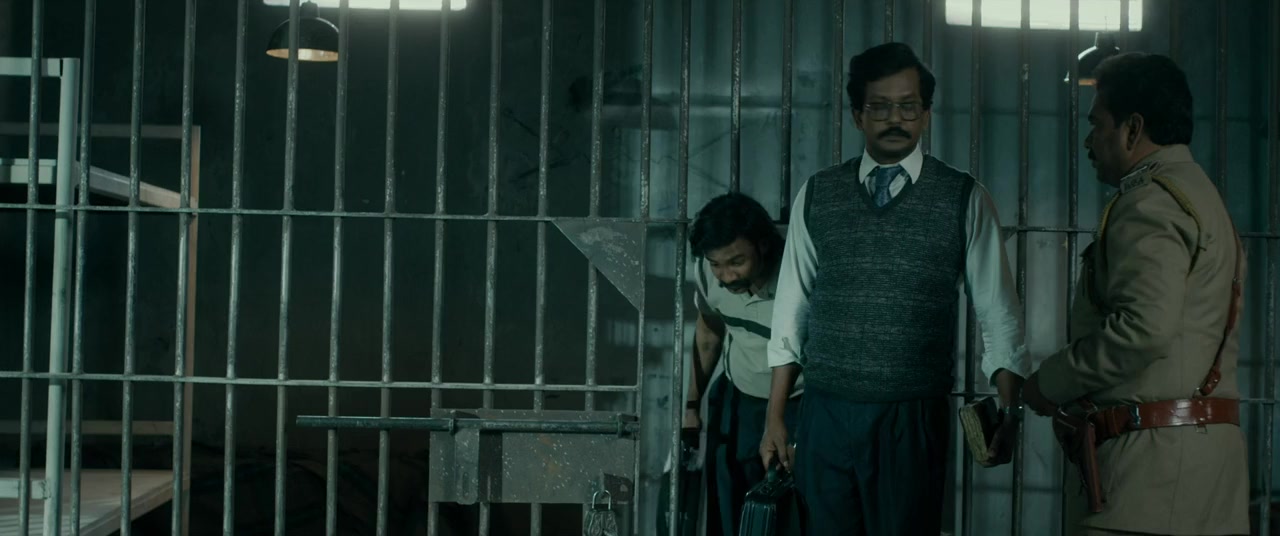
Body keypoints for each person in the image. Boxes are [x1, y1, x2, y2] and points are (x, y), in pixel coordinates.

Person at [760, 42, 1031, 535]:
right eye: (880, 107)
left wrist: (1010, 413)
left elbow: (998, 313)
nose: (895, 119)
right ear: (856, 115)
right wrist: (775, 416)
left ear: (926, 114)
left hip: (913, 416)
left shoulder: (963, 197)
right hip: (825, 411)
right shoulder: (818, 193)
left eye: (907, 106)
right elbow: (791, 308)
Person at [1021, 52, 1249, 535]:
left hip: (1147, 485)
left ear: (1132, 129)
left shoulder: (1149, 203)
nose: (1089, 140)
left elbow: (1142, 331)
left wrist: (1048, 383)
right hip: (1207, 480)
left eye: (1096, 124)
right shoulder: (1203, 198)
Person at [683, 192, 804, 536]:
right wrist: (692, 406)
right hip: (739, 400)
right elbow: (709, 333)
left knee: (795, 510)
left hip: (801, 404)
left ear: (763, 245)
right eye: (716, 263)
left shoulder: (798, 275)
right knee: (729, 506)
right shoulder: (707, 274)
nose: (725, 276)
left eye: (736, 261)